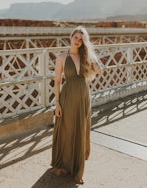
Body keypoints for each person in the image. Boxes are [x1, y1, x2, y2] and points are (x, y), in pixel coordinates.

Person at [50, 26, 102, 185]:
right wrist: (57, 103)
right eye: (76, 37)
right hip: (67, 97)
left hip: (83, 97)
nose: (78, 41)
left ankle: (78, 171)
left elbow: (99, 71)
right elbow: (57, 81)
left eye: (81, 39)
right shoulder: (61, 57)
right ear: (70, 37)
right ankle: (62, 164)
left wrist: (92, 56)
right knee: (66, 129)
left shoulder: (86, 56)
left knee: (80, 129)